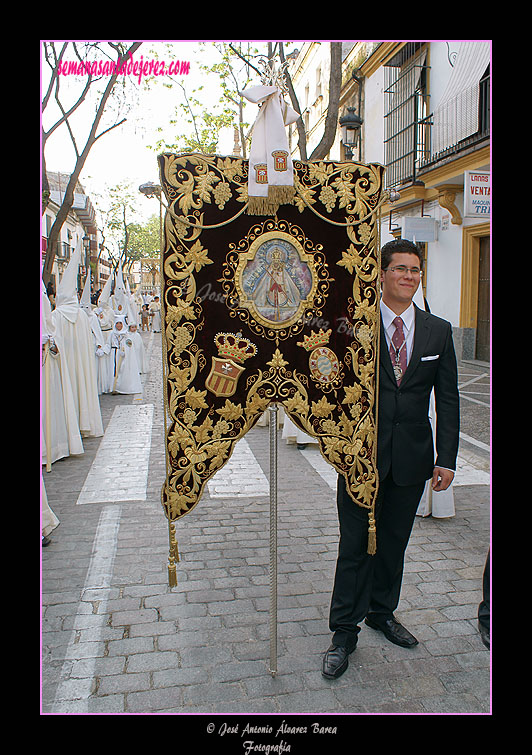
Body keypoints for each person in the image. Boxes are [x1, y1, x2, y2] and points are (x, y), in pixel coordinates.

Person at [322, 238, 460, 680]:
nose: (408, 277)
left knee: (394, 544)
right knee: (355, 545)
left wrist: (448, 458)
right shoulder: (354, 325)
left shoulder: (438, 330)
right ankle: (343, 632)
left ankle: (382, 613)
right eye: (400, 268)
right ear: (381, 274)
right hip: (361, 457)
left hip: (413, 457)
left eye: (415, 270)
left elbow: (450, 399)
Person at [110, 317, 143, 394]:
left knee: (122, 370)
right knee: (114, 370)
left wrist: (125, 351)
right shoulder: (112, 333)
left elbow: (129, 345)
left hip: (123, 356)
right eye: (117, 324)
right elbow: (109, 344)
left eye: (120, 324)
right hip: (114, 354)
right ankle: (113, 387)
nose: (118, 325)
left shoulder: (126, 334)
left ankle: (121, 387)